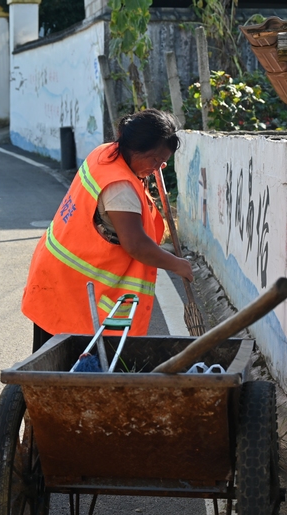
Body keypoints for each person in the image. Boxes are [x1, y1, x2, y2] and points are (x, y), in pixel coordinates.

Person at [22, 109, 194, 351]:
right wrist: (177, 264)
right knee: (68, 367)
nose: (159, 167)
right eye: (155, 159)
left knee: (57, 365)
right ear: (135, 149)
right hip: (72, 288)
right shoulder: (120, 189)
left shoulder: (105, 153)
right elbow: (136, 245)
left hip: (58, 275)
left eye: (163, 161)